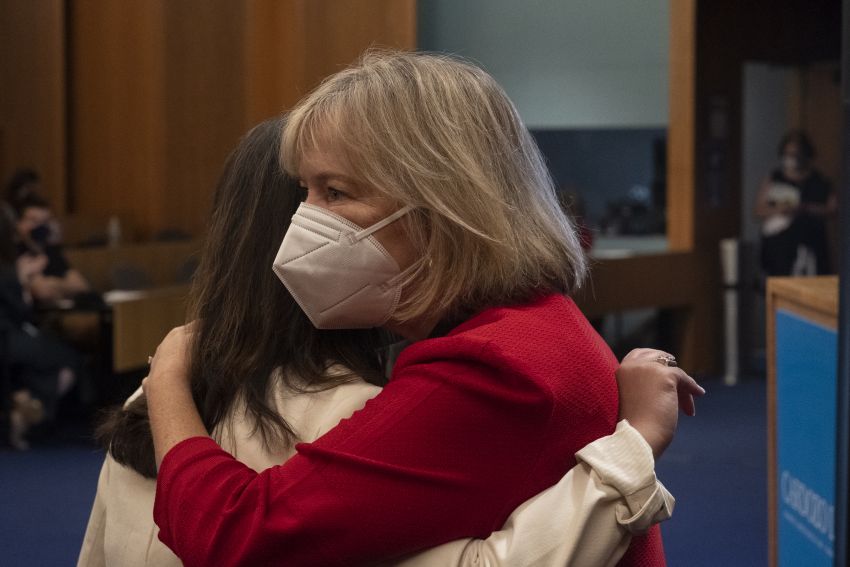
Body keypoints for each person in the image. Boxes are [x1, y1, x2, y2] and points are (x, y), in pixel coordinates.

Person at [145, 52, 703, 566]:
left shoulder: (493, 369)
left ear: (444, 207)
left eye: (335, 193)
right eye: (303, 193)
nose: (302, 223)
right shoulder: (528, 322)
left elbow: (235, 537)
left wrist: (168, 379)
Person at [0, 204, 78, 449]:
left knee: (49, 362)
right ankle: (27, 409)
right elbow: (23, 307)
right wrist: (24, 279)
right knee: (67, 358)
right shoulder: (11, 267)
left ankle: (24, 403)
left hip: (12, 335)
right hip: (8, 335)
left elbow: (79, 285)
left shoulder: (24, 259)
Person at [755, 130, 837, 276]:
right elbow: (759, 209)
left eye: (796, 154)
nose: (792, 159)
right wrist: (780, 210)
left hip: (811, 243)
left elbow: (833, 210)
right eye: (788, 154)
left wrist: (806, 208)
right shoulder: (775, 178)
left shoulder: (819, 181)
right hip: (781, 247)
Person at [13, 193, 90, 302]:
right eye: (33, 221)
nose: (39, 227)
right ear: (19, 223)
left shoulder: (50, 251)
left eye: (44, 222)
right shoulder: (11, 252)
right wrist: (63, 285)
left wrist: (51, 282)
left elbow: (81, 285)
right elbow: (41, 291)